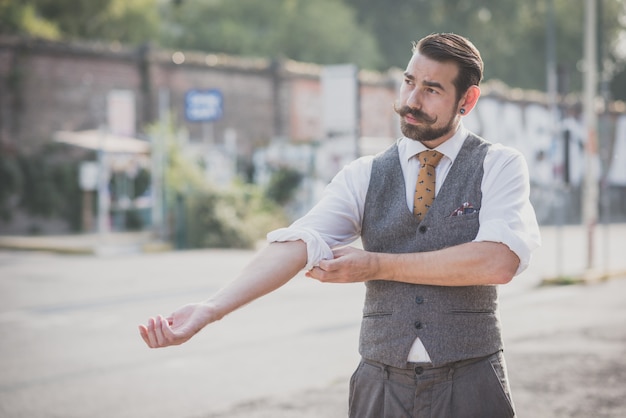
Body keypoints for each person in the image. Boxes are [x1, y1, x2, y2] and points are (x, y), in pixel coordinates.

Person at [139, 32, 541, 417]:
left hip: (471, 381)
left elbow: (497, 262)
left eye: (432, 89)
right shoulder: (365, 174)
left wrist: (376, 265)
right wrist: (211, 309)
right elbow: (301, 241)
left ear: (467, 100)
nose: (411, 101)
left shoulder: (498, 164)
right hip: (380, 387)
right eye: (408, 82)